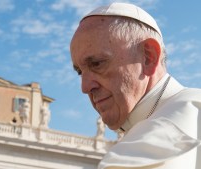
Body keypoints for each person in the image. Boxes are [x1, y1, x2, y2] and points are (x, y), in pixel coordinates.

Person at [70, 2, 201, 169]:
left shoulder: (165, 131)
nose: (85, 87)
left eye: (97, 64)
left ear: (148, 57)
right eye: (80, 72)